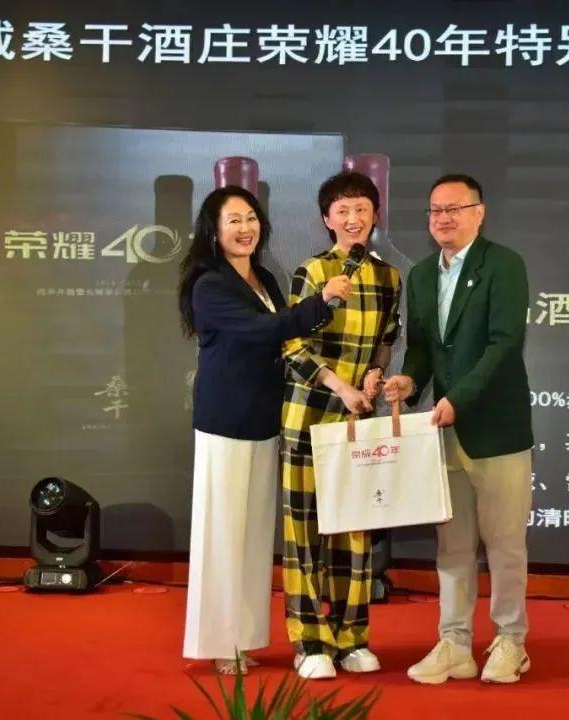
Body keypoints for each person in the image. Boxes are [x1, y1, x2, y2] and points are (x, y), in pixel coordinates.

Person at [180, 186, 351, 675]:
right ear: (213, 230)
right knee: (222, 535)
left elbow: (285, 341)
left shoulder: (265, 278)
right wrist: (322, 301)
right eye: (233, 220)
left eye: (251, 218)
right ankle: (220, 642)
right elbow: (262, 331)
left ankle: (246, 637)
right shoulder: (209, 284)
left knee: (254, 536)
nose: (245, 228)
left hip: (264, 419)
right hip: (225, 422)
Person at [384, 174, 535, 685]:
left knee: (505, 544)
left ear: (479, 213)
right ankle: (454, 643)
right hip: (444, 432)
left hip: (496, 430)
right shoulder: (423, 274)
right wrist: (409, 381)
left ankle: (511, 640)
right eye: (435, 210)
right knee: (452, 546)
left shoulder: (504, 265)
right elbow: (423, 349)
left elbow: (503, 344)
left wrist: (458, 400)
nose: (443, 218)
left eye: (454, 208)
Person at [281, 171, 402, 680]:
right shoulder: (313, 271)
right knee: (305, 532)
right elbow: (292, 345)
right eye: (343, 211)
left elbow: (385, 340)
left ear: (375, 216)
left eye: (362, 210)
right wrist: (340, 386)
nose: (353, 219)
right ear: (327, 219)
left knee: (355, 532)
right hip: (309, 417)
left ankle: (352, 637)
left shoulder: (389, 277)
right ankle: (310, 641)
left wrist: (374, 376)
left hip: (357, 420)